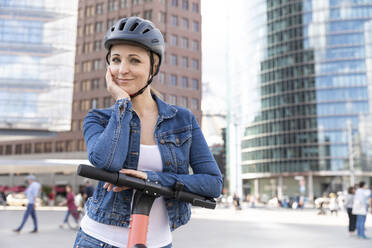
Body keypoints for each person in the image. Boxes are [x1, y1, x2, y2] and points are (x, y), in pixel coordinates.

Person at [73, 16, 222, 248]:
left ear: (153, 67)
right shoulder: (98, 118)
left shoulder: (182, 120)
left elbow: (213, 183)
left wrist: (151, 180)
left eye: (134, 61)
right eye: (116, 60)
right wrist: (122, 103)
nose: (123, 70)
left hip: (158, 243)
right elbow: (108, 162)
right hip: (98, 240)